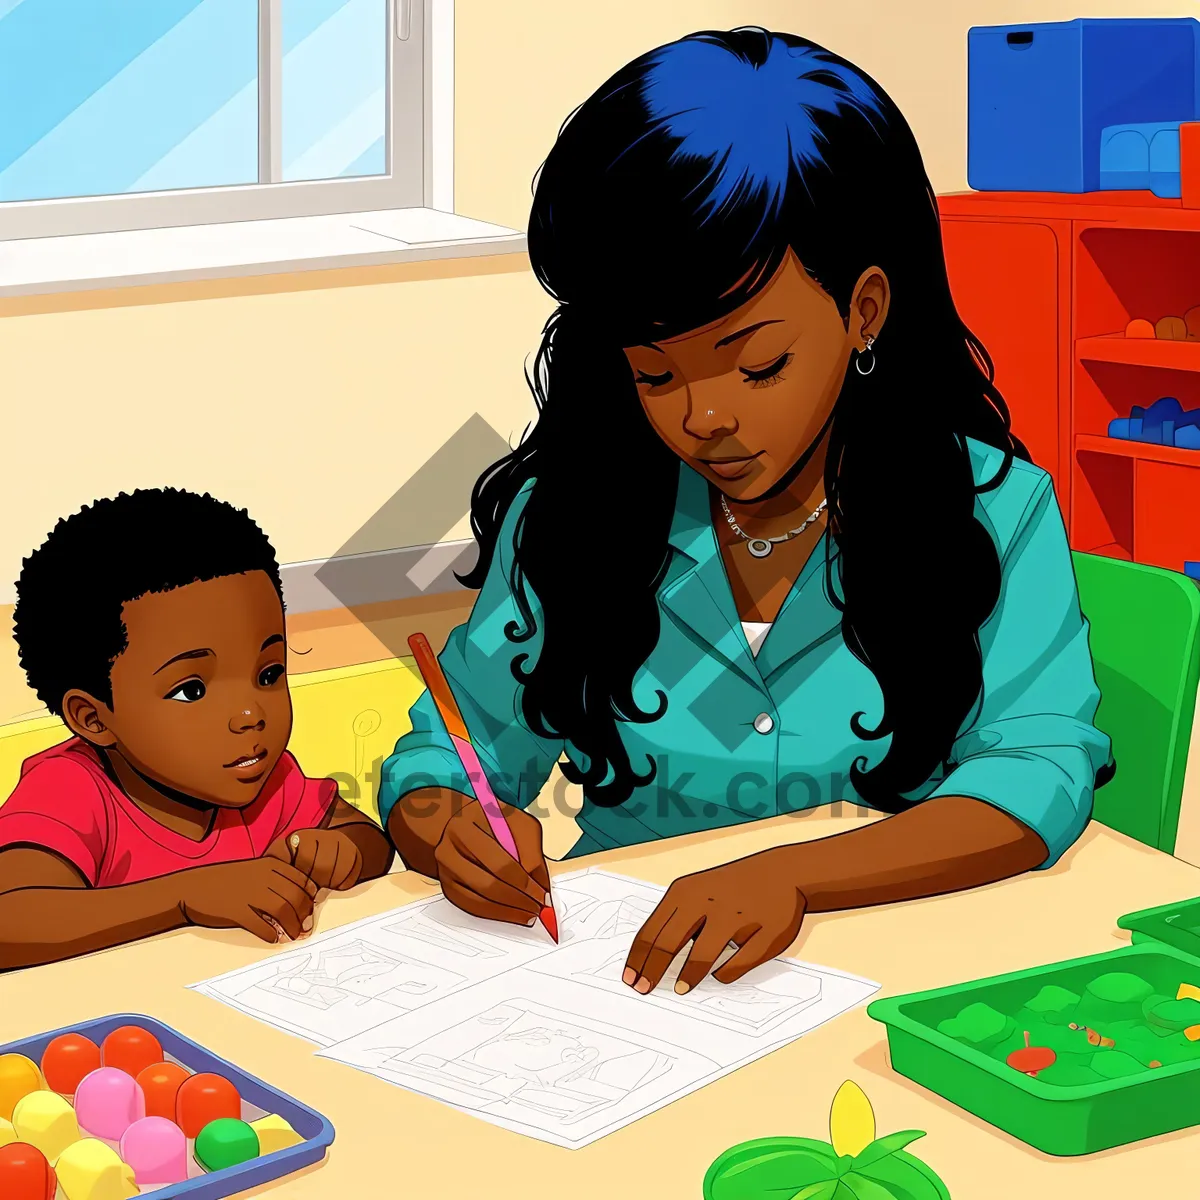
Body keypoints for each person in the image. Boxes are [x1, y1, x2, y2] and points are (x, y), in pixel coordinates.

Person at [380, 28, 1111, 995]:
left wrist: (794, 877)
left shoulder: (989, 512)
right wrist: (446, 822)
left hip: (900, 977)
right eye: (653, 372)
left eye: (757, 362)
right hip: (630, 990)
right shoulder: (574, 516)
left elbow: (1034, 772)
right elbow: (456, 744)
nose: (704, 417)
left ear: (865, 310)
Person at [0, 488, 393, 970]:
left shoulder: (266, 778)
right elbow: (11, 921)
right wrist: (183, 898)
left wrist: (341, 849)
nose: (250, 714)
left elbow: (369, 840)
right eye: (191, 690)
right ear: (93, 717)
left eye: (268, 674)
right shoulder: (70, 790)